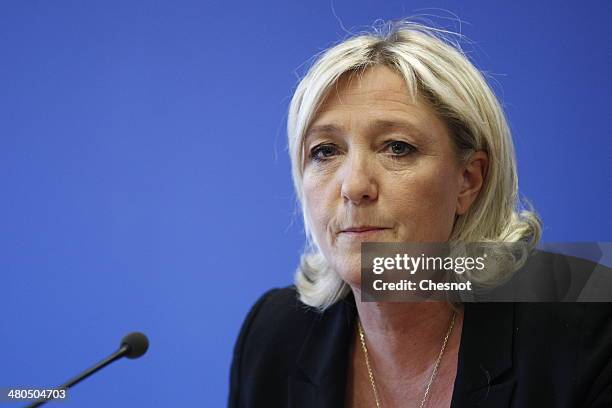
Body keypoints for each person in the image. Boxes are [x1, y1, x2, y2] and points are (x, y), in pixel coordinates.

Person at [228, 20, 612, 407]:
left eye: (397, 147)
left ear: (468, 180)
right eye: (325, 151)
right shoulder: (273, 334)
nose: (354, 185)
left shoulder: (590, 322)